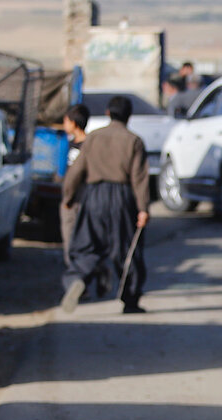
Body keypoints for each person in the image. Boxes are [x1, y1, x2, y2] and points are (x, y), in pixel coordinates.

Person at [61, 95, 150, 314]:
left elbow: (77, 170)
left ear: (108, 113)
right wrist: (143, 208)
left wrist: (68, 197)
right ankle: (130, 300)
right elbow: (139, 177)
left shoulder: (93, 138)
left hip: (93, 196)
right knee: (126, 250)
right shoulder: (133, 140)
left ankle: (77, 279)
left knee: (87, 245)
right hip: (122, 198)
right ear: (129, 116)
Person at [59, 103, 90, 265]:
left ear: (74, 123)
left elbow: (75, 176)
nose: (64, 125)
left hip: (80, 198)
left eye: (66, 121)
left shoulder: (89, 145)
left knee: (74, 238)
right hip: (74, 197)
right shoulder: (70, 144)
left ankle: (76, 273)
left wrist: (67, 198)